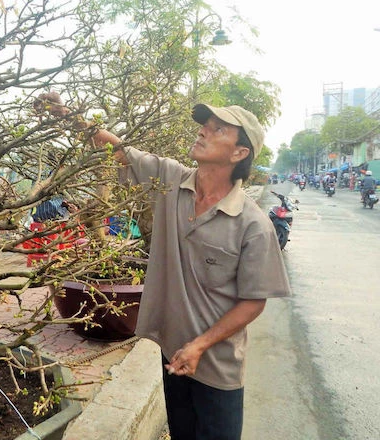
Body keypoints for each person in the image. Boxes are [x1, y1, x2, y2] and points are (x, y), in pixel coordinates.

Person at [35, 92, 291, 440]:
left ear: (239, 153)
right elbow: (117, 148)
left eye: (217, 130)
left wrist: (200, 345)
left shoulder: (252, 224)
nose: (203, 131)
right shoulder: (171, 181)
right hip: (173, 352)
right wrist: (66, 115)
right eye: (205, 124)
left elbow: (253, 302)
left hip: (217, 367)